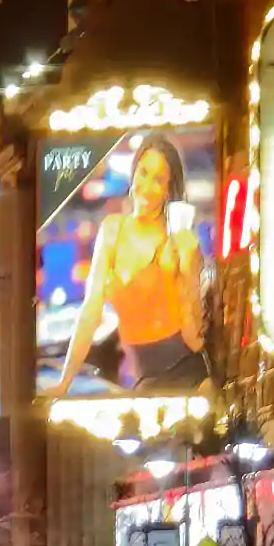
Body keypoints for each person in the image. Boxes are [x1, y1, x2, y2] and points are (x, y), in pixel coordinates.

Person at [49, 131, 204, 396]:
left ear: (168, 190)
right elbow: (90, 312)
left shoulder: (179, 240)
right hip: (142, 376)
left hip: (188, 371)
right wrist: (64, 382)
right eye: (143, 172)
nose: (146, 185)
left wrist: (189, 266)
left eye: (158, 179)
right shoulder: (112, 230)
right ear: (133, 172)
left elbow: (194, 330)